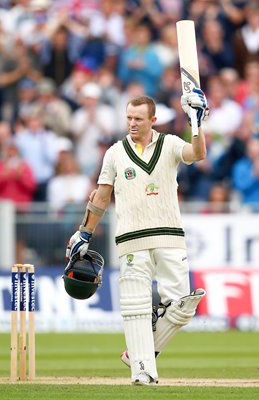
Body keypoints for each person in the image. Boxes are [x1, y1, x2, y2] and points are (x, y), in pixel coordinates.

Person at [66, 89, 209, 385]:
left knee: (183, 305)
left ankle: (136, 353)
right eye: (129, 117)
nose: (132, 123)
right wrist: (84, 231)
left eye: (138, 118)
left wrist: (197, 125)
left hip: (170, 236)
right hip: (130, 238)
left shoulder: (169, 144)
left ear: (153, 120)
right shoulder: (115, 153)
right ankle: (142, 371)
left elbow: (197, 154)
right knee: (135, 306)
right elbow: (101, 196)